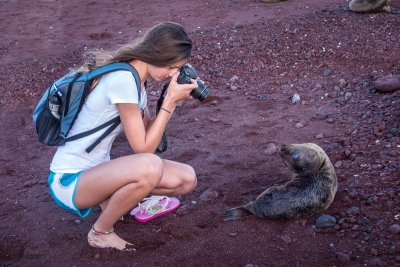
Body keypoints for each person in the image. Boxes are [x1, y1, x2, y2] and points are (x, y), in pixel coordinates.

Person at [47, 22, 199, 251]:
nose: (172, 74)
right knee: (149, 166)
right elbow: (143, 150)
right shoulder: (123, 80)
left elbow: (152, 140)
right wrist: (169, 102)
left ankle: (117, 199)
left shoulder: (137, 80)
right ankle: (101, 232)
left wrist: (171, 101)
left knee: (187, 178)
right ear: (158, 55)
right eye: (173, 67)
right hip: (70, 180)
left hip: (98, 172)